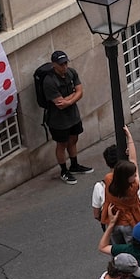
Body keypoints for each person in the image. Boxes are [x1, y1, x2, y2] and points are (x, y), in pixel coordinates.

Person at [39, 50, 94, 184]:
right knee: (61, 144)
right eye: (61, 64)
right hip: (58, 120)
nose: (64, 67)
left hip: (73, 116)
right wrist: (73, 96)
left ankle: (74, 165)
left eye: (65, 63)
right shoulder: (49, 82)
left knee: (73, 139)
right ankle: (64, 171)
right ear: (54, 65)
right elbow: (60, 104)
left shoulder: (71, 73)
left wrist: (69, 100)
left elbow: (80, 91)